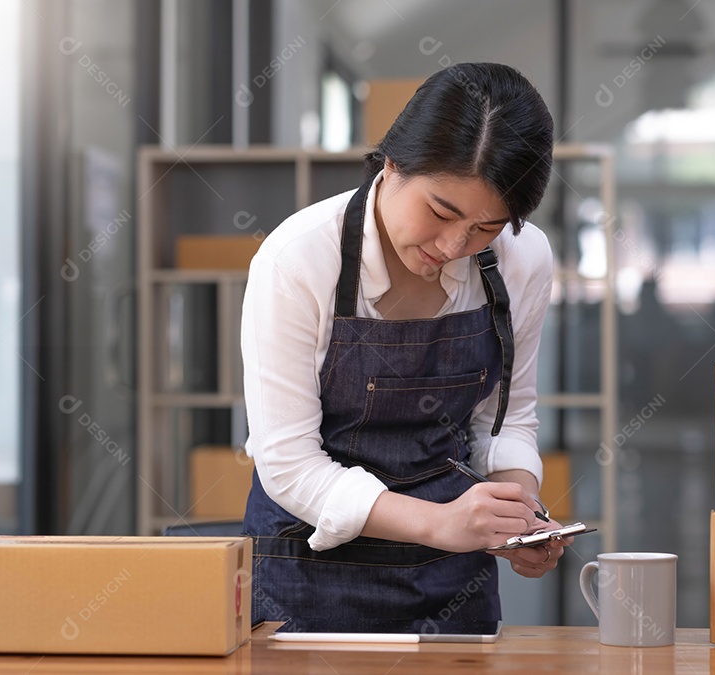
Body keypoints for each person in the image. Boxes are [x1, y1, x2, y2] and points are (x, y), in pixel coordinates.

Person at [240, 62, 570, 627]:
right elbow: (289, 465)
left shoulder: (523, 259)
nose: (454, 244)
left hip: (451, 580)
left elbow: (505, 421)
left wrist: (517, 515)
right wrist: (440, 523)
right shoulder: (297, 259)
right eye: (441, 212)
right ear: (391, 164)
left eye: (486, 227)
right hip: (306, 573)